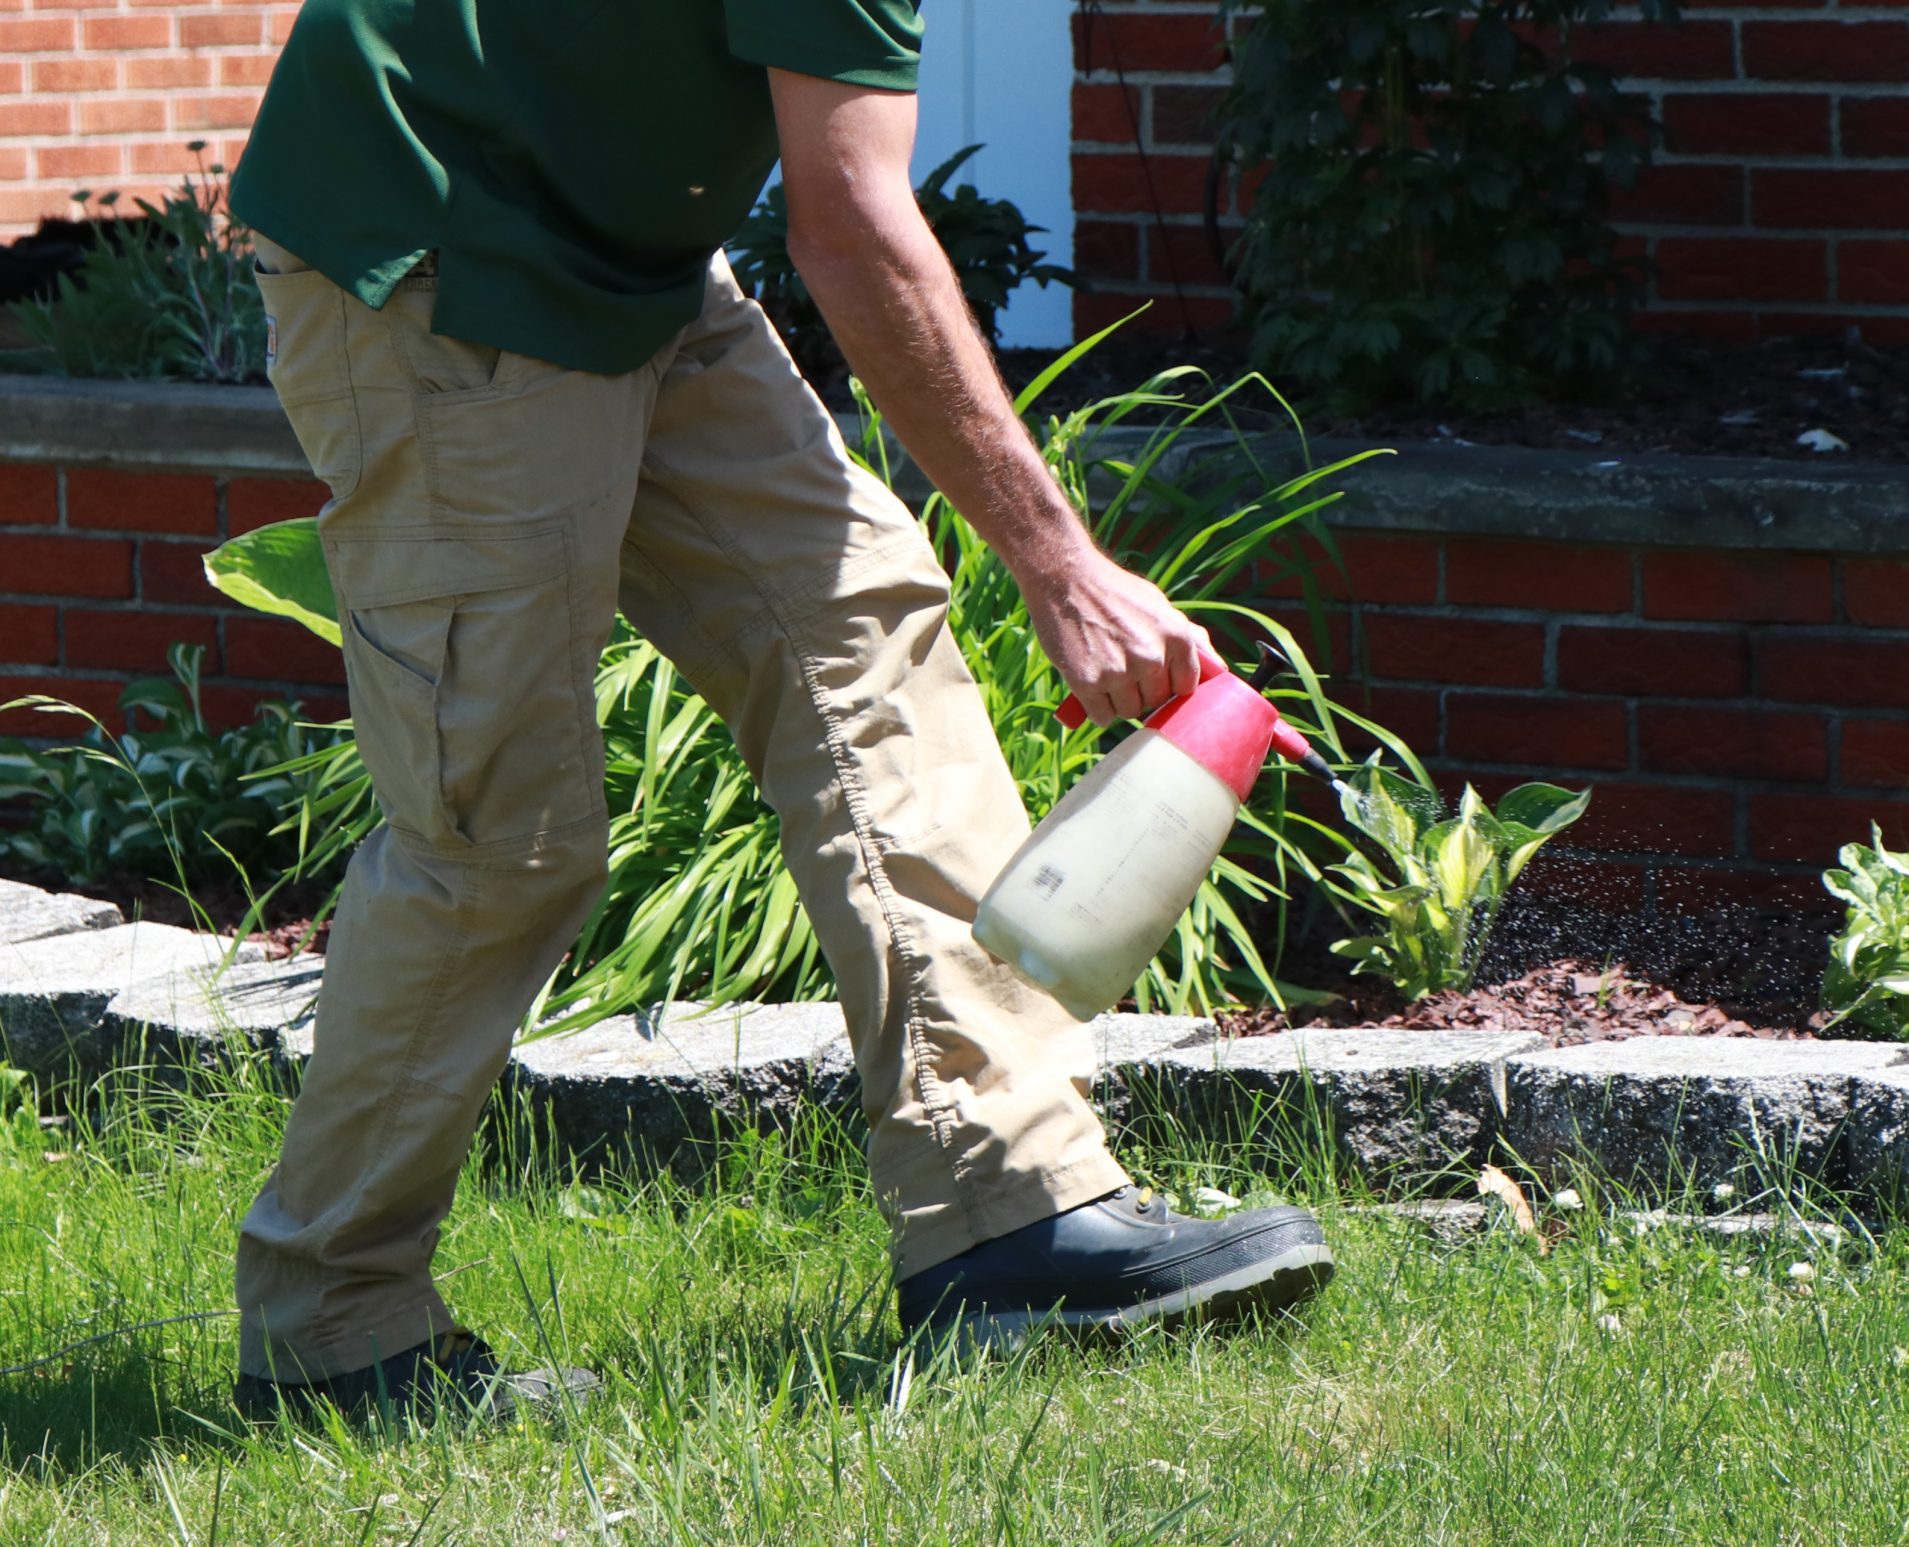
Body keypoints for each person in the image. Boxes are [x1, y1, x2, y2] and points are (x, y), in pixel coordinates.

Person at [225, 0, 1333, 1422]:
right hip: (441, 251)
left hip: (631, 261)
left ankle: (1009, 1212)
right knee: (500, 828)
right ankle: (331, 1322)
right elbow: (854, 226)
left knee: (861, 629)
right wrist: (1063, 570)